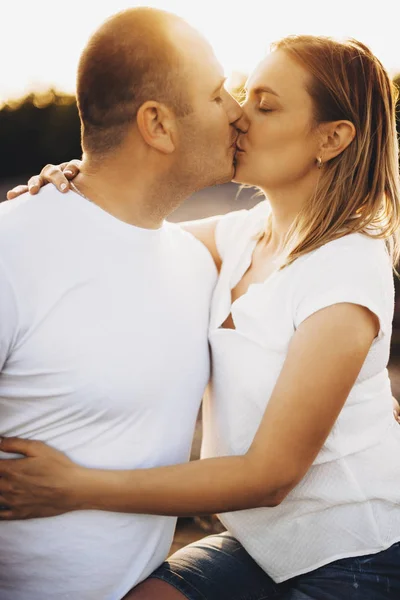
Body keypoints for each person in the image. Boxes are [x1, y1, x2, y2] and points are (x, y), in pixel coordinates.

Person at [3, 34, 400, 600]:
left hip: (355, 555)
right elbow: (124, 226)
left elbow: (269, 477)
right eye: (240, 95)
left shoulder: (348, 268)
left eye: (265, 105)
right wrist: (75, 180)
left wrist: (73, 488)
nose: (239, 117)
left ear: (331, 138)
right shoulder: (242, 236)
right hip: (261, 544)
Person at [0, 7, 247, 600]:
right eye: (218, 95)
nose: (238, 112)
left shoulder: (198, 262)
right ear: (157, 125)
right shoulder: (13, 249)